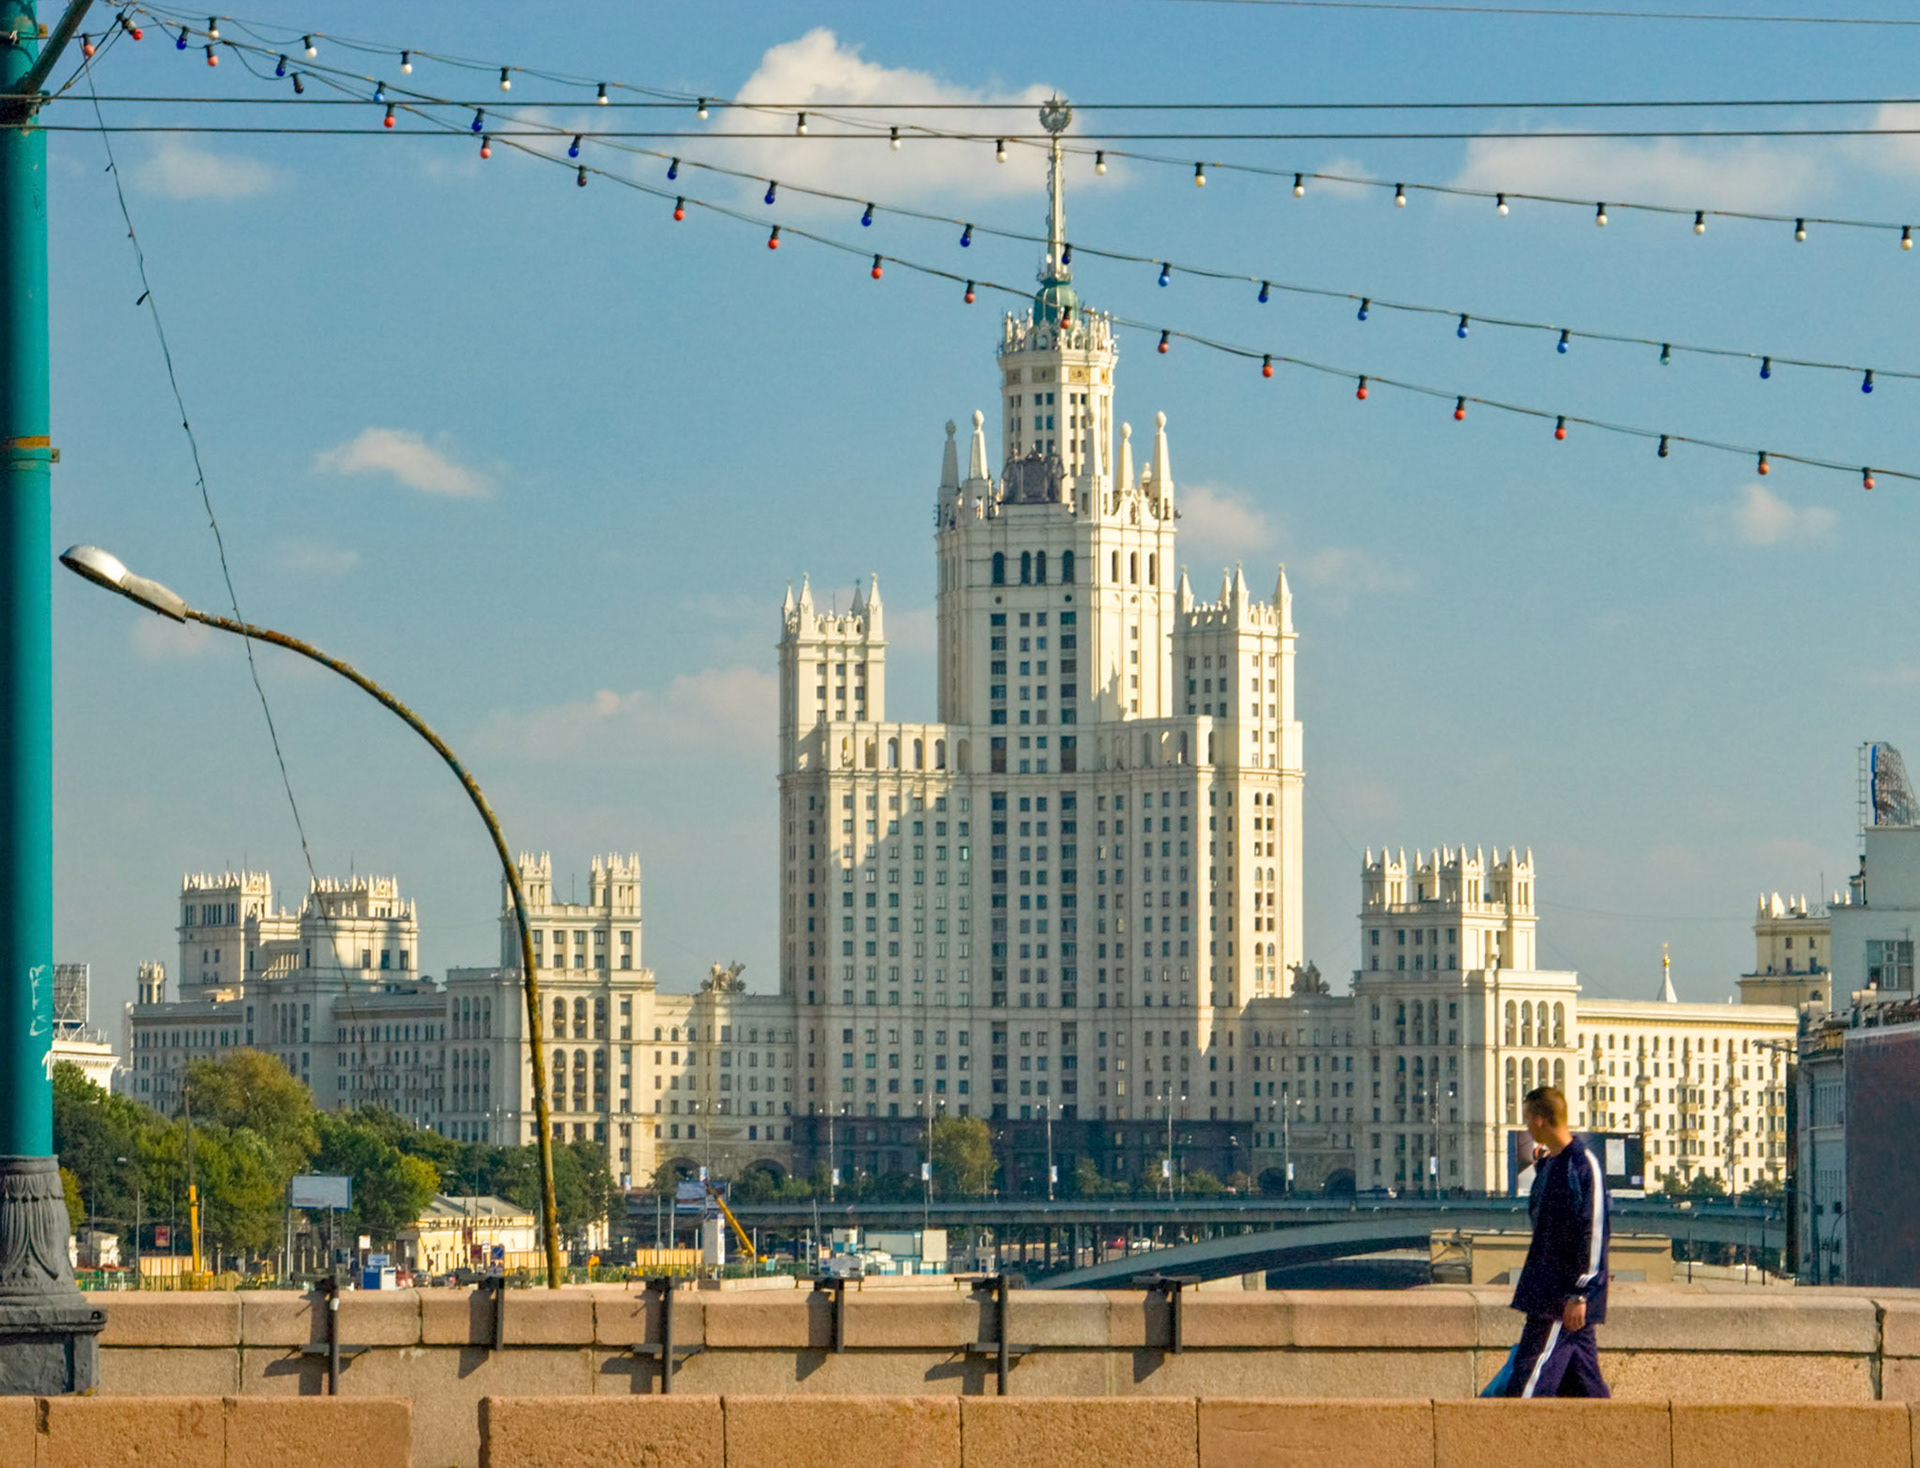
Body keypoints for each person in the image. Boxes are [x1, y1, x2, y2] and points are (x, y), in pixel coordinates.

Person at [1502, 1085, 1610, 1398]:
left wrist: (1580, 1293)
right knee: (1586, 1388)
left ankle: (1508, 1444)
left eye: (1526, 1118)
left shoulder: (1581, 1164)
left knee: (1527, 1384)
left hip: (1561, 1299)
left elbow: (1594, 1230)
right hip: (1552, 1293)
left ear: (1538, 1120)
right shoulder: (1552, 1167)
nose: (1524, 1125)